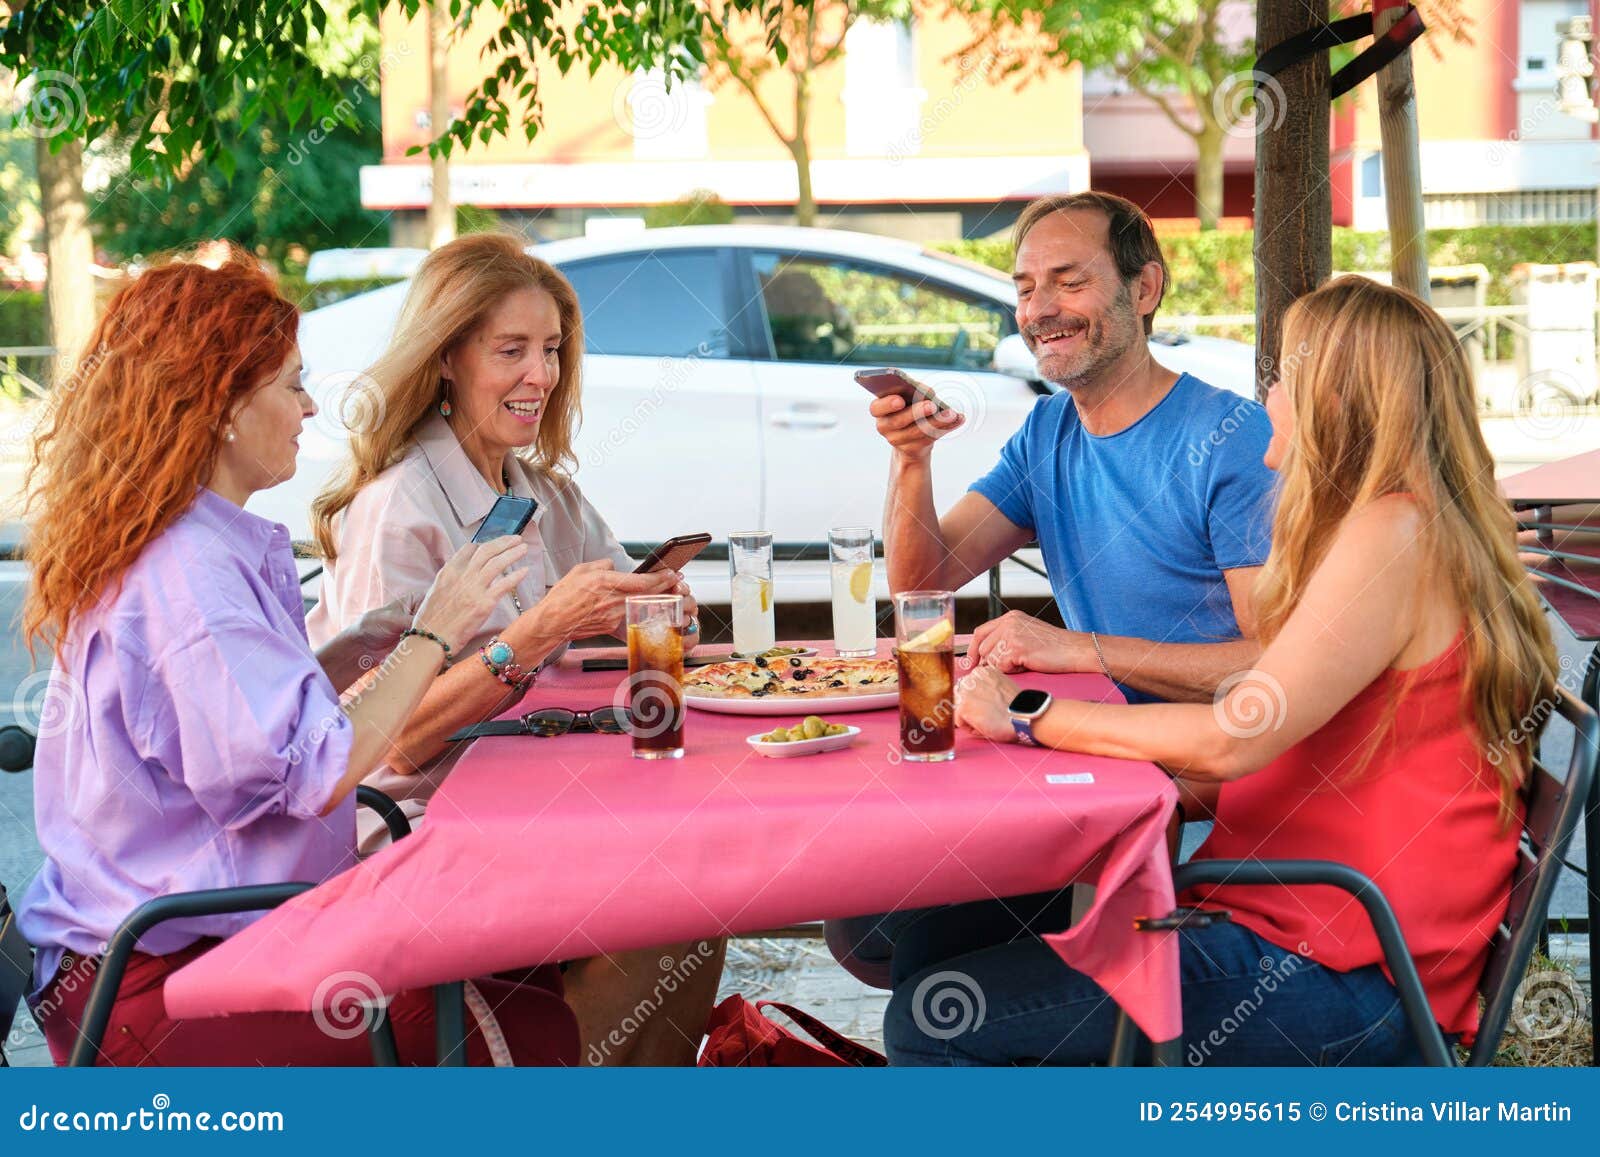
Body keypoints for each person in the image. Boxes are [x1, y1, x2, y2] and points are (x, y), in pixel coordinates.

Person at [887, 275, 1561, 1065]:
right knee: (935, 948)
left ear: (1333, 399)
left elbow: (1235, 737)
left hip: (1345, 971)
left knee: (927, 1021)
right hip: (1325, 930)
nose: (1266, 394)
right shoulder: (1404, 524)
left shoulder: (1395, 532)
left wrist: (1031, 712)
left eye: (1282, 377)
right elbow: (1289, 745)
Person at [17, 248, 577, 1065]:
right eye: (290, 383)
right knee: (516, 1022)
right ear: (222, 405)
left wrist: (365, 643)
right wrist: (432, 634)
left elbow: (244, 724)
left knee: (520, 977)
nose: (310, 405)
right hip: (160, 979)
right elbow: (311, 768)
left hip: (186, 943)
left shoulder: (187, 540)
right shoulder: (189, 572)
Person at [831, 191, 1278, 985]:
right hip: (1074, 745)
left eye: (1068, 282)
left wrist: (1076, 648)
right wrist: (911, 461)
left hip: (1197, 768)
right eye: (1026, 287)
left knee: (925, 960)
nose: (1039, 310)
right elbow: (922, 585)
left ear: (1143, 290)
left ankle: (1040, 1033)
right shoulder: (1049, 432)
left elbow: (1273, 666)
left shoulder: (1230, 439)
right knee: (866, 925)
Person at [307, 232, 722, 1066]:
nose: (542, 374)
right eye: (513, 351)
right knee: (673, 912)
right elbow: (385, 741)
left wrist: (658, 607)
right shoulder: (401, 505)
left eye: (553, 351)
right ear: (448, 358)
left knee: (692, 908)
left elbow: (629, 614)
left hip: (533, 799)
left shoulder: (542, 493)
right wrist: (539, 633)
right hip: (414, 827)